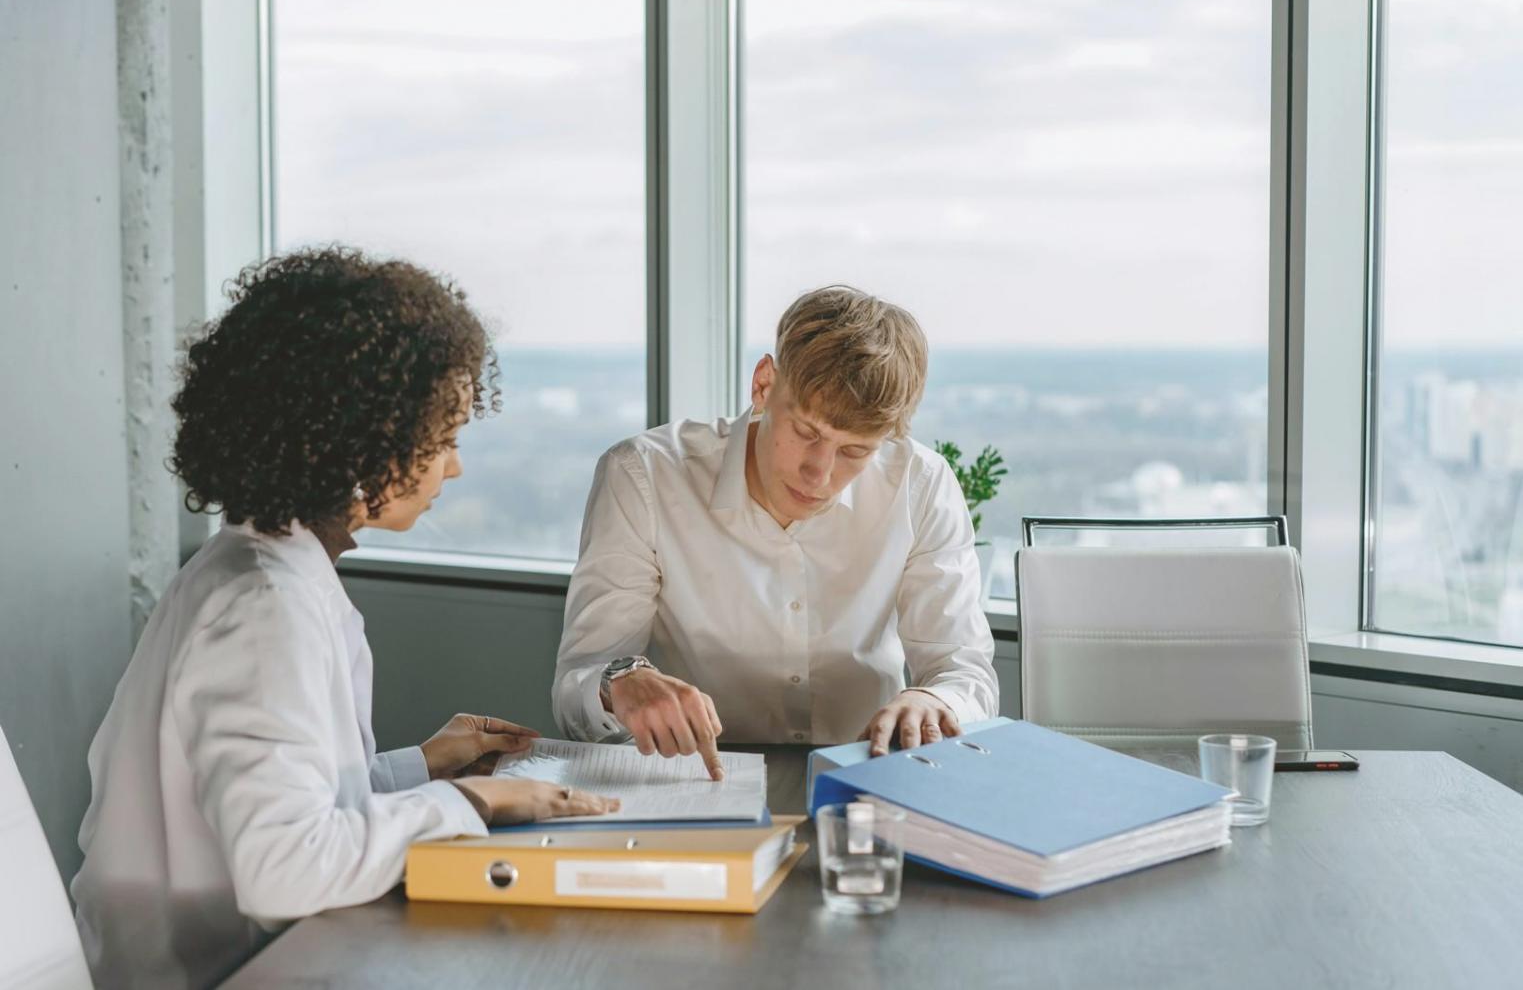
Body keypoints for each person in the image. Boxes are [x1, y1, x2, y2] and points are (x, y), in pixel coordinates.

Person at [72, 248, 616, 988]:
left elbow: (291, 797)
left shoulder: (254, 565)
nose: (454, 468)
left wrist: (420, 764)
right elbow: (284, 869)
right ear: (361, 443)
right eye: (445, 438)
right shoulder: (266, 608)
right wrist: (468, 798)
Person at [552, 285, 998, 775]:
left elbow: (965, 670)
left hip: (869, 784)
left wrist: (934, 699)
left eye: (854, 451)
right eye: (807, 433)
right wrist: (618, 684)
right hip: (700, 786)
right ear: (763, 384)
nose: (819, 474)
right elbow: (578, 685)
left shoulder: (922, 484)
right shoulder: (643, 477)